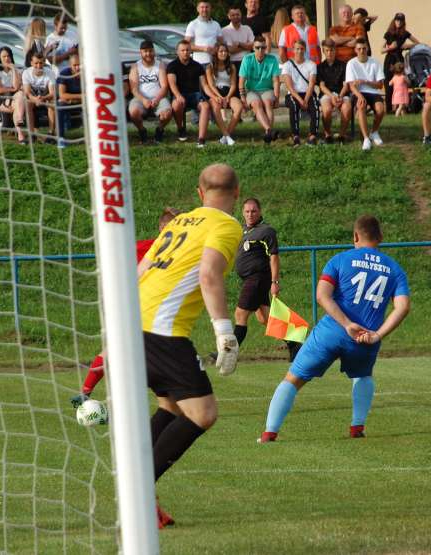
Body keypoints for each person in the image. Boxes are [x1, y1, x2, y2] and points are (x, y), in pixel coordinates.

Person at [137, 163, 242, 528]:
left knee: (171, 404)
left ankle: (141, 495)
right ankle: (137, 490)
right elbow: (209, 274)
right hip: (163, 332)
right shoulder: (227, 225)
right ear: (237, 192)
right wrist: (224, 332)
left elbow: (144, 269)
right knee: (203, 413)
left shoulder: (180, 222)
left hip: (136, 322)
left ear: (200, 193)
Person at [258, 214, 410, 443]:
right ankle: (357, 426)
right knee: (363, 375)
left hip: (332, 331)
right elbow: (403, 307)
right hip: (366, 337)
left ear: (355, 236)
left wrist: (347, 324)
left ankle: (270, 432)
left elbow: (322, 295)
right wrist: (377, 335)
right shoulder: (394, 269)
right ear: (380, 237)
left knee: (293, 379)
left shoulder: (340, 260)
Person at [79, 207, 181, 399]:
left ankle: (85, 394)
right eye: (175, 226)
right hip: (132, 308)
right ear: (163, 228)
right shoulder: (144, 248)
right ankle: (86, 393)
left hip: (155, 311)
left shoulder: (180, 254)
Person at [231, 198, 299, 362]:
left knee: (240, 314)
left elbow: (274, 258)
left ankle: (228, 354)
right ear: (242, 212)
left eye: (253, 211)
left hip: (257, 278)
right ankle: (295, 343)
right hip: (250, 279)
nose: (250, 214)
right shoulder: (244, 230)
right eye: (247, 211)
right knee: (264, 318)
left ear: (260, 211)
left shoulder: (266, 231)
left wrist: (274, 282)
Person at [128, 40, 172, 145]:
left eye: (150, 51)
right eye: (145, 51)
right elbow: (134, 89)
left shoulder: (160, 65)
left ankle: (160, 130)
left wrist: (156, 99)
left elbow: (164, 86)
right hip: (140, 98)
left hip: (158, 97)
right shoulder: (135, 66)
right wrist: (143, 100)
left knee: (167, 113)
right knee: (133, 112)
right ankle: (142, 130)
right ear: (141, 52)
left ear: (154, 51)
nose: (148, 54)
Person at [168, 40, 211, 147]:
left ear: (191, 51)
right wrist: (178, 96)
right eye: (182, 50)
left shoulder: (197, 66)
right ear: (177, 52)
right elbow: (172, 84)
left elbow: (204, 85)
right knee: (176, 105)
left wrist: (213, 96)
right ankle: (180, 128)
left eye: (187, 50)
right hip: (180, 94)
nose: (185, 52)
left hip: (195, 95)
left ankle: (201, 139)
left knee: (205, 106)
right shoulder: (172, 65)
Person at [238, 36, 281, 144]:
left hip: (267, 89)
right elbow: (241, 82)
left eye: (263, 47)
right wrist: (243, 98)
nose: (260, 50)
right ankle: (269, 131)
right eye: (257, 47)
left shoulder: (272, 59)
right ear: (253, 48)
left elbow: (276, 81)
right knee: (256, 104)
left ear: (266, 48)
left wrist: (276, 97)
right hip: (252, 90)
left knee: (268, 102)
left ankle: (268, 134)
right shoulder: (247, 59)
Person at [346, 38, 385, 151]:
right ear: (355, 50)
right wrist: (359, 96)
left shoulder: (375, 62)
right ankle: (366, 138)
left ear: (367, 49)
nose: (362, 51)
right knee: (361, 105)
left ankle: (374, 132)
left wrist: (365, 81)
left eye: (364, 48)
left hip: (372, 91)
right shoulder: (351, 63)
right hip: (358, 92)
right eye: (359, 49)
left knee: (380, 109)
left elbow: (380, 85)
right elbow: (351, 85)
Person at [204, 43, 243, 145]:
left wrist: (227, 97)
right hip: (216, 92)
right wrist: (220, 97)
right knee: (216, 108)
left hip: (229, 92)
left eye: (225, 51)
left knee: (238, 107)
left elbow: (233, 84)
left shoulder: (232, 66)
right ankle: (227, 136)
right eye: (221, 51)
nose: (224, 53)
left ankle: (226, 136)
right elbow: (211, 85)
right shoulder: (210, 67)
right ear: (216, 53)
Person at [282, 39, 319, 146]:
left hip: (307, 93)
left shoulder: (311, 64)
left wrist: (306, 100)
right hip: (293, 94)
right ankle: (295, 135)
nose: (299, 51)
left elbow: (311, 84)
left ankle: (312, 135)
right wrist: (300, 100)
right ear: (293, 50)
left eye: (302, 49)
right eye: (297, 49)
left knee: (315, 106)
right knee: (293, 106)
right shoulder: (287, 65)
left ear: (305, 50)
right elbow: (289, 86)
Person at [317, 39, 352, 142]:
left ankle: (342, 134)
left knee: (346, 108)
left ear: (335, 50)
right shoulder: (320, 67)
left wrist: (340, 96)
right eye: (327, 50)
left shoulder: (343, 65)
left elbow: (346, 85)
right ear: (323, 51)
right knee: (326, 110)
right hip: (326, 94)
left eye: (331, 50)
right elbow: (322, 86)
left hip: (342, 93)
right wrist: (332, 96)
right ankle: (328, 134)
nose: (329, 53)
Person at [0, 46, 26, 144]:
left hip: (13, 98)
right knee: (19, 99)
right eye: (4, 56)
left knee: (19, 97)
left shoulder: (16, 70)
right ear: (0, 58)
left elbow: (16, 87)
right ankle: (20, 122)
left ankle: (20, 135)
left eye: (8, 56)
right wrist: (12, 89)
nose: (7, 58)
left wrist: (13, 69)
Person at [381, 13, 418, 106]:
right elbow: (381, 50)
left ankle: (402, 107)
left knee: (400, 82)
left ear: (403, 22)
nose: (399, 22)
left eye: (401, 20)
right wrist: (390, 48)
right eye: (397, 20)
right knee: (388, 82)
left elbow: (418, 43)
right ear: (394, 21)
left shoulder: (405, 33)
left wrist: (407, 46)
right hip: (389, 59)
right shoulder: (388, 33)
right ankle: (389, 107)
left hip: (399, 59)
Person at [21, 52, 56, 142]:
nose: (39, 65)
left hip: (46, 98)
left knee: (52, 103)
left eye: (41, 63)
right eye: (36, 63)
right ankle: (31, 134)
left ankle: (51, 133)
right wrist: (35, 99)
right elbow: (27, 93)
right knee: (27, 103)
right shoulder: (26, 73)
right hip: (33, 98)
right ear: (31, 63)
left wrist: (43, 98)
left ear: (44, 62)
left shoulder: (50, 73)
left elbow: (52, 93)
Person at [56, 53, 83, 149]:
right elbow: (62, 94)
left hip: (82, 102)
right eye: (75, 65)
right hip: (69, 102)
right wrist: (81, 96)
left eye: (79, 64)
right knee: (60, 105)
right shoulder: (64, 73)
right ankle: (61, 138)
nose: (77, 67)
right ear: (70, 65)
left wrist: (73, 98)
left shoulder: (87, 72)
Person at [185, 1, 223, 66]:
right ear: (198, 9)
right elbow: (185, 45)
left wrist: (216, 48)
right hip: (199, 62)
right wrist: (203, 49)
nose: (204, 9)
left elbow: (221, 42)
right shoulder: (193, 24)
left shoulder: (216, 24)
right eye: (202, 7)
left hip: (215, 62)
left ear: (210, 8)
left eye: (207, 7)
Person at [221, 6, 254, 74]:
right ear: (229, 16)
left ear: (241, 15)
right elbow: (230, 50)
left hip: (247, 61)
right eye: (233, 15)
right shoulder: (225, 30)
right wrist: (246, 46)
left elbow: (253, 45)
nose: (235, 16)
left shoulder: (247, 28)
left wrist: (239, 44)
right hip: (232, 62)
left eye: (237, 14)